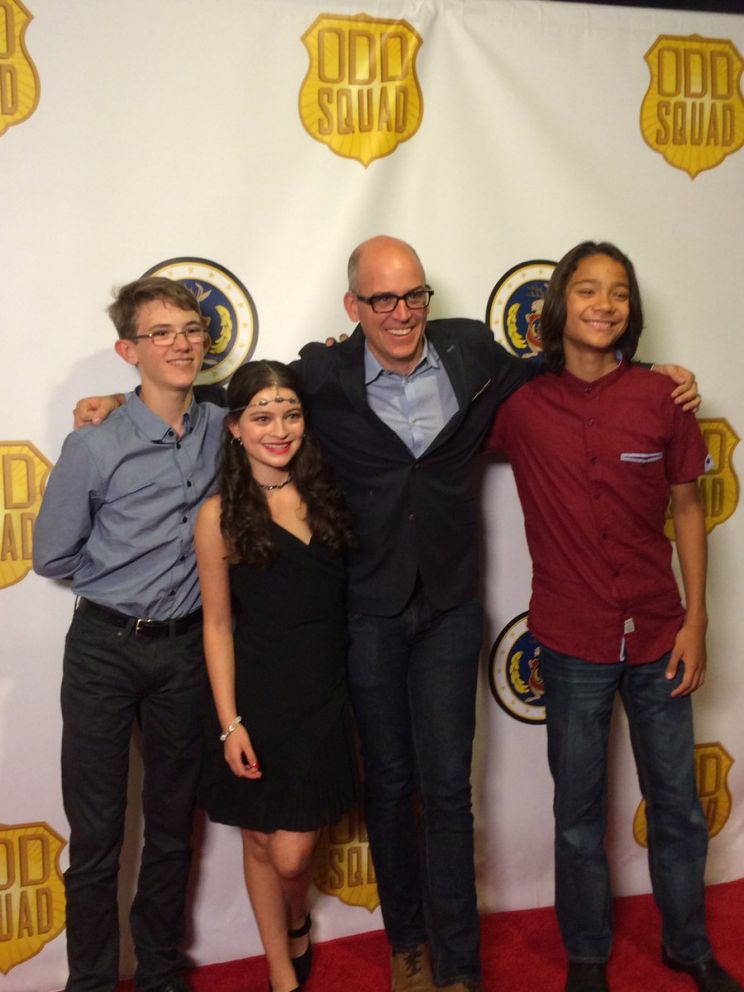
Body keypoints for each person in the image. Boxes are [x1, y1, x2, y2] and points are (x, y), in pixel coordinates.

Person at [72, 236, 699, 992]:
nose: (401, 313)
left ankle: (459, 963)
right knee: (391, 788)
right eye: (382, 299)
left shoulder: (472, 351)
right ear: (354, 307)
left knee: (450, 791)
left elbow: (565, 370)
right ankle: (409, 946)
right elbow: (245, 400)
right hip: (367, 612)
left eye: (413, 296)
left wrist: (653, 372)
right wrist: (126, 402)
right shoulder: (323, 374)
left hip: (451, 610)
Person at [487, 241, 741, 992]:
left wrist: (697, 621)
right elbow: (431, 410)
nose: (604, 304)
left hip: (662, 635)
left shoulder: (664, 400)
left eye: (620, 292)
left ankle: (688, 945)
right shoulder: (518, 408)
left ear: (632, 309)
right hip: (572, 642)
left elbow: (689, 510)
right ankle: (588, 955)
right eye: (589, 289)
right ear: (558, 304)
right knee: (577, 813)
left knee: (677, 804)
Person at [33, 277, 225, 992]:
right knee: (97, 836)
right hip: (104, 652)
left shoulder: (223, 426)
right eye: (160, 333)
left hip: (184, 652)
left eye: (190, 329)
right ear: (129, 350)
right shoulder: (94, 444)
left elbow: (288, 398)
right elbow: (51, 556)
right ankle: (88, 982)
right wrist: (118, 577)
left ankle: (159, 973)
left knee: (172, 828)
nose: (180, 343)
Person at [194, 360, 358, 992]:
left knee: (291, 854)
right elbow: (217, 626)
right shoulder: (218, 516)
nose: (279, 429)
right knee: (261, 842)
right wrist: (229, 722)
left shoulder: (329, 493)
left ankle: (296, 919)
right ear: (235, 428)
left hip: (324, 694)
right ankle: (281, 971)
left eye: (290, 414)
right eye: (262, 416)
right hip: (256, 697)